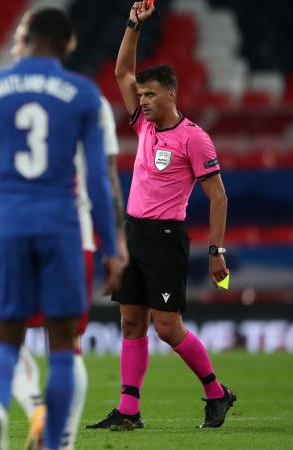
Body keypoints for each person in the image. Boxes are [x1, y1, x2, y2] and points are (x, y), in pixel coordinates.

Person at [0, 8, 124, 450]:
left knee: (6, 339)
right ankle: (55, 443)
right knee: (64, 344)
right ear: (68, 44)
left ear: (24, 36)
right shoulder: (84, 95)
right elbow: (96, 180)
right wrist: (111, 244)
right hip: (63, 226)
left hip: (9, 224)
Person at [86, 1, 235, 432]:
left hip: (167, 236)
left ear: (172, 94)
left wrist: (216, 250)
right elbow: (121, 72)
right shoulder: (144, 126)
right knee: (131, 321)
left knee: (168, 327)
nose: (144, 101)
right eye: (142, 95)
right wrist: (133, 25)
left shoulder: (195, 140)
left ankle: (216, 391)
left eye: (151, 95)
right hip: (134, 233)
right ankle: (129, 411)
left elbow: (218, 197)